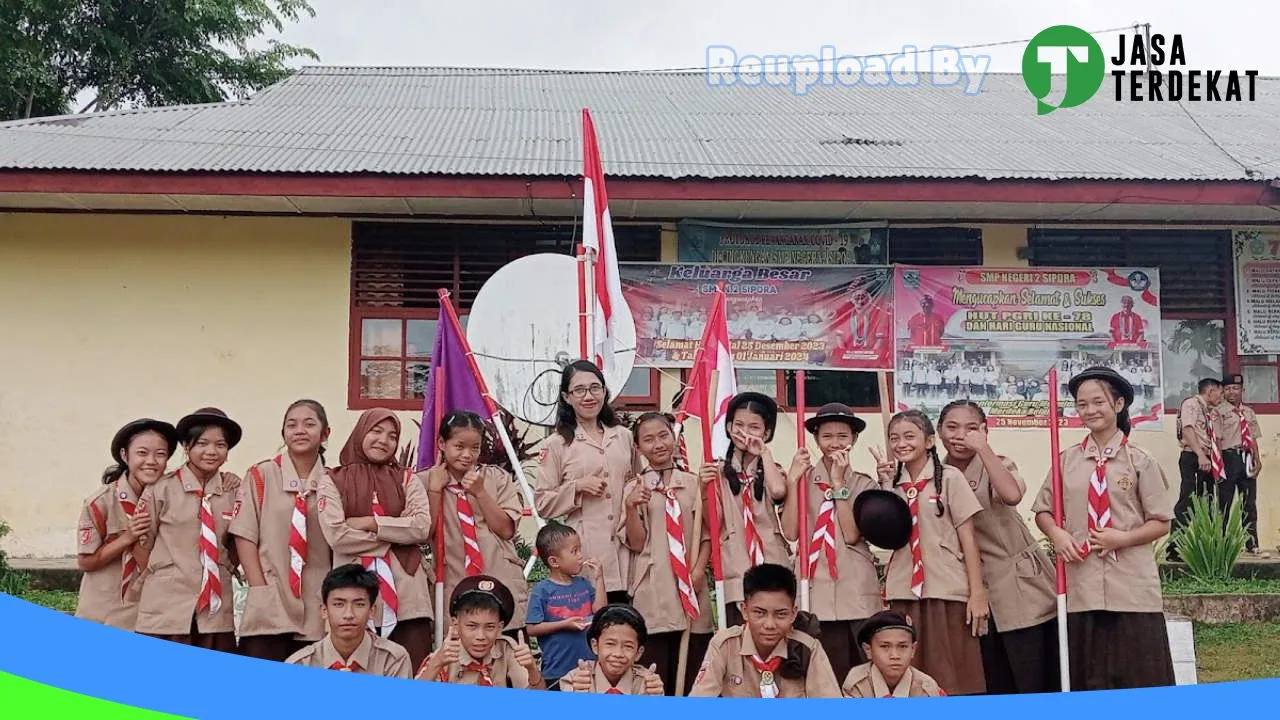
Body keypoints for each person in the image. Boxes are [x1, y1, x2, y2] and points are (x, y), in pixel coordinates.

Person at [1033, 366, 1176, 690]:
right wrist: (1057, 534)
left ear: (1118, 404)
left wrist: (1122, 538)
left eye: (1098, 402)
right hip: (1082, 586)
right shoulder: (1066, 460)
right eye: (1082, 404)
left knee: (1139, 676)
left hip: (1131, 588)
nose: (1090, 410)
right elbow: (1043, 510)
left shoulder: (1140, 461)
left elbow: (1161, 522)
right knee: (1088, 676)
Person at [939, 400, 1059, 694]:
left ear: (984, 431)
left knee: (1034, 675)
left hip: (1021, 587)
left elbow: (1012, 494)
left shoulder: (998, 463)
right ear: (939, 431)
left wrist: (983, 449)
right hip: (973, 591)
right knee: (992, 677)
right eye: (951, 427)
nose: (959, 435)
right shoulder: (936, 475)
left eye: (970, 428)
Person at [871, 409, 987, 695]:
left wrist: (977, 593)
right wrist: (885, 487)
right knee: (909, 674)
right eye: (894, 438)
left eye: (910, 436)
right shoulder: (891, 484)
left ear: (930, 441)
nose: (901, 443)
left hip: (946, 590)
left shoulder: (949, 478)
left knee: (952, 674)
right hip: (903, 591)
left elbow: (968, 538)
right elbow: (885, 537)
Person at [317, 408, 434, 669]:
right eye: (376, 431)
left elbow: (421, 527)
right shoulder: (332, 479)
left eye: (392, 436)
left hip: (408, 596)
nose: (384, 440)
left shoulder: (406, 478)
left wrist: (371, 523)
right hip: (354, 596)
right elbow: (337, 535)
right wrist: (396, 534)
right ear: (360, 432)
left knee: (414, 672)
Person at [780, 403, 880, 683]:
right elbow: (790, 531)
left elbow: (851, 534)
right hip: (815, 589)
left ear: (854, 439)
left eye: (842, 436)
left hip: (855, 588)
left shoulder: (864, 484)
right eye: (827, 436)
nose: (834, 443)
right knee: (822, 674)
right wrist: (792, 480)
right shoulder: (803, 481)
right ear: (816, 440)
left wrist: (838, 486)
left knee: (860, 673)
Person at [231, 400, 334, 661]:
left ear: (325, 434)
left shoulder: (334, 481)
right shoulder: (260, 475)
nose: (299, 430)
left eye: (309, 424)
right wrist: (260, 588)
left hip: (317, 597)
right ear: (283, 433)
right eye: (292, 425)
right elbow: (244, 534)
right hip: (270, 592)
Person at [134, 408, 242, 652]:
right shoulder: (161, 489)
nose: (211, 451)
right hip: (167, 605)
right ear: (186, 446)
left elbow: (237, 541)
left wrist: (224, 566)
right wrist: (162, 572)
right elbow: (142, 543)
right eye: (202, 443)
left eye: (220, 445)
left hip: (215, 607)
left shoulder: (235, 491)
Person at [621, 412, 714, 695]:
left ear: (674, 438)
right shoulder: (634, 487)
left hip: (690, 587)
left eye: (663, 436)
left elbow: (708, 535)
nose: (658, 444)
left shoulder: (694, 483)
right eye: (648, 440)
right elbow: (635, 543)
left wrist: (698, 570)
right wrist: (630, 507)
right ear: (638, 448)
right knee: (656, 671)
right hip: (654, 590)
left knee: (693, 669)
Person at [535, 360, 638, 606]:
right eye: (579, 390)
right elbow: (543, 503)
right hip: (587, 555)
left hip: (627, 550)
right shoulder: (557, 444)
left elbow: (636, 483)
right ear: (566, 397)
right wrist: (577, 487)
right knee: (592, 631)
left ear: (604, 391)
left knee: (626, 628)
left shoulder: (624, 436)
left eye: (595, 388)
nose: (588, 396)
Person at [421, 411, 528, 636]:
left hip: (497, 573)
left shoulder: (496, 478)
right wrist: (434, 491)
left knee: (505, 646)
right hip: (452, 579)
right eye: (459, 446)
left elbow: (506, 529)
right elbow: (424, 532)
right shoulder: (426, 481)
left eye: (475, 448)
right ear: (442, 443)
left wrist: (480, 493)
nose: (467, 455)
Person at [75, 419, 178, 631]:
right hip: (105, 610)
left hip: (152, 610)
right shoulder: (101, 502)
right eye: (142, 453)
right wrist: (127, 538)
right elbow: (86, 562)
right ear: (125, 455)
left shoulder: (173, 498)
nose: (151, 461)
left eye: (160, 454)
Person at [689, 563, 841, 698]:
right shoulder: (724, 646)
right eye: (759, 613)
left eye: (781, 614)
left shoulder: (807, 649)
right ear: (744, 610)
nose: (769, 625)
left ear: (793, 613)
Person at [715, 392, 790, 627]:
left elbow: (778, 492)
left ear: (766, 433)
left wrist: (763, 453)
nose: (744, 432)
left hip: (772, 562)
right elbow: (714, 521)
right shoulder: (716, 473)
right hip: (735, 566)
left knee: (774, 631)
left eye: (754, 427)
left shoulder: (772, 468)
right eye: (738, 425)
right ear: (728, 427)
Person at [415, 575, 544, 688]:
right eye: (471, 626)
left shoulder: (507, 650)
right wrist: (437, 663)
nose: (480, 636)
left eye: (489, 627)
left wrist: (532, 669)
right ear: (455, 624)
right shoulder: (445, 655)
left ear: (500, 627)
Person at [285, 564, 412, 678]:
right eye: (339, 604)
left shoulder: (392, 659)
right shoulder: (300, 663)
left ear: (371, 611)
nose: (349, 614)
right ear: (324, 610)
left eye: (359, 604)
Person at [526, 522, 607, 690]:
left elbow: (600, 613)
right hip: (557, 670)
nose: (580, 556)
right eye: (574, 551)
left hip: (589, 668)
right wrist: (565, 624)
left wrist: (599, 579)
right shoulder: (541, 591)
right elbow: (532, 628)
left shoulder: (584, 584)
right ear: (554, 561)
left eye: (580, 549)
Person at [1170, 378, 1225, 561]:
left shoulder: (1210, 411)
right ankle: (1175, 547)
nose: (1221, 397)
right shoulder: (1191, 404)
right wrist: (1200, 454)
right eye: (1220, 392)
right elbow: (1188, 429)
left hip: (1207, 458)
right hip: (1193, 457)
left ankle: (1206, 546)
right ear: (1210, 391)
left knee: (1208, 501)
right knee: (1188, 500)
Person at [559, 606, 664, 694]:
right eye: (610, 644)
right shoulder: (576, 680)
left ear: (638, 653)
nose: (618, 654)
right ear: (595, 646)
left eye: (628, 646)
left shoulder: (648, 684)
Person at [841, 611, 946, 698]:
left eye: (903, 646)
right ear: (868, 650)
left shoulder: (927, 690)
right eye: (885, 646)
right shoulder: (857, 685)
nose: (895, 655)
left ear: (913, 649)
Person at [1217, 373, 1264, 553]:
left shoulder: (1248, 412)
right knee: (1225, 502)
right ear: (1223, 391)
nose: (1232, 392)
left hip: (1246, 458)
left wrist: (1257, 460)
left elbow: (1252, 438)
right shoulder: (1218, 411)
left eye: (1235, 388)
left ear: (1242, 390)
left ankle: (1251, 543)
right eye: (1228, 389)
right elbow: (1217, 440)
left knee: (1249, 502)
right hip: (1228, 458)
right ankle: (1220, 542)